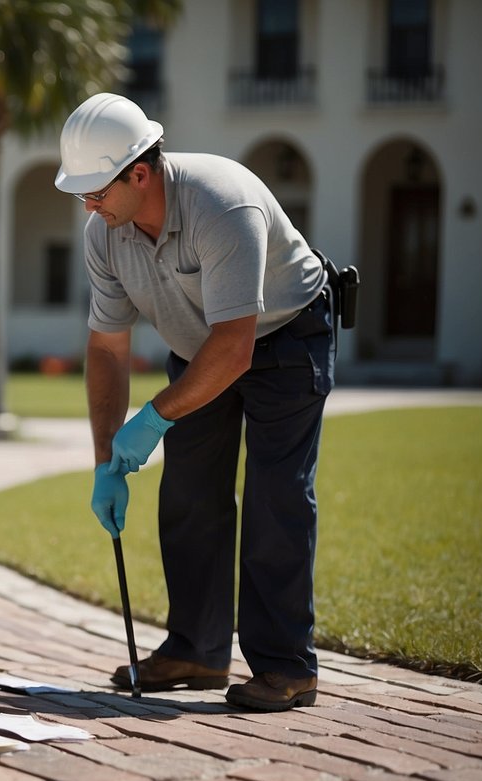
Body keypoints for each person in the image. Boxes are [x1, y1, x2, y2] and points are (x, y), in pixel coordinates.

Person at [54, 93, 335, 711]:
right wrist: (107, 458)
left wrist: (153, 417)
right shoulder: (105, 233)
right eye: (82, 196)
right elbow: (106, 351)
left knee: (276, 496)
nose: (90, 207)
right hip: (200, 349)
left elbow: (235, 347)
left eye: (97, 191)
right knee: (189, 497)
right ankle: (197, 650)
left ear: (141, 171)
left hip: (285, 337)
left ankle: (287, 667)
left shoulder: (220, 202)